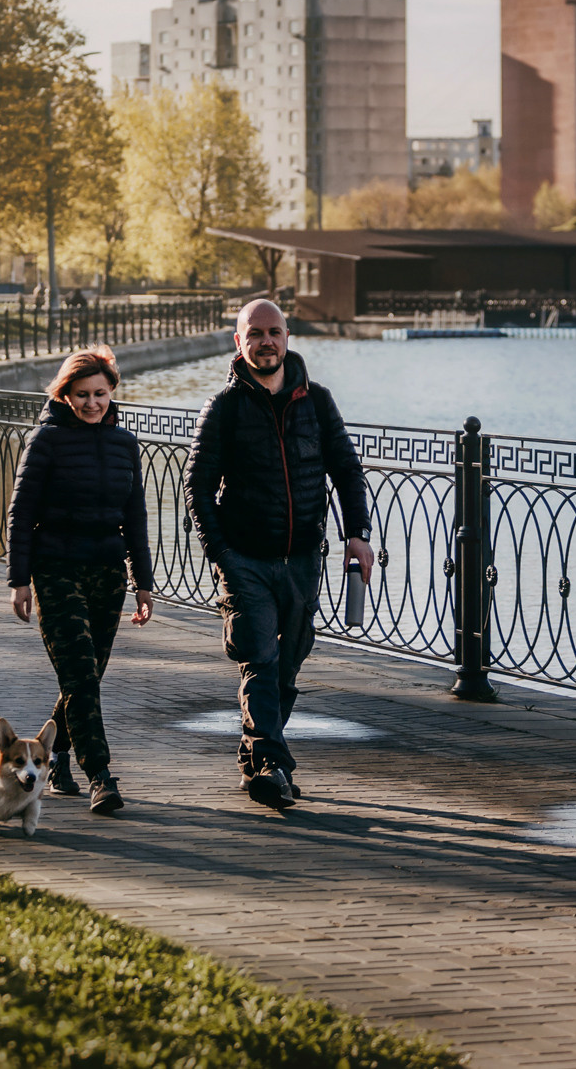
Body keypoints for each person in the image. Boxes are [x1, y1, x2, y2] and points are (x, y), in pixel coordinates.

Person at [186, 299, 372, 810]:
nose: (265, 342)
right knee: (259, 658)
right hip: (244, 557)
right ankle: (273, 765)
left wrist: (357, 533)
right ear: (238, 341)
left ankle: (255, 755)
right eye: (255, 333)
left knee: (288, 663)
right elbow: (197, 488)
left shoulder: (319, 402)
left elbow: (347, 471)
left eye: (274, 332)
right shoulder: (222, 408)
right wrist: (219, 552)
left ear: (288, 337)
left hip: (302, 558)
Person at [6, 345, 154, 815]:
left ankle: (56, 756)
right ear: (65, 395)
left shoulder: (125, 444)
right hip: (56, 570)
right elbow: (21, 512)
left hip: (107, 575)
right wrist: (20, 579)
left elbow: (135, 518)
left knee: (83, 679)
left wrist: (143, 582)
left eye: (101, 394)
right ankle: (101, 777)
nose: (93, 403)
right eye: (82, 394)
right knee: (82, 679)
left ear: (112, 393)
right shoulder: (45, 441)